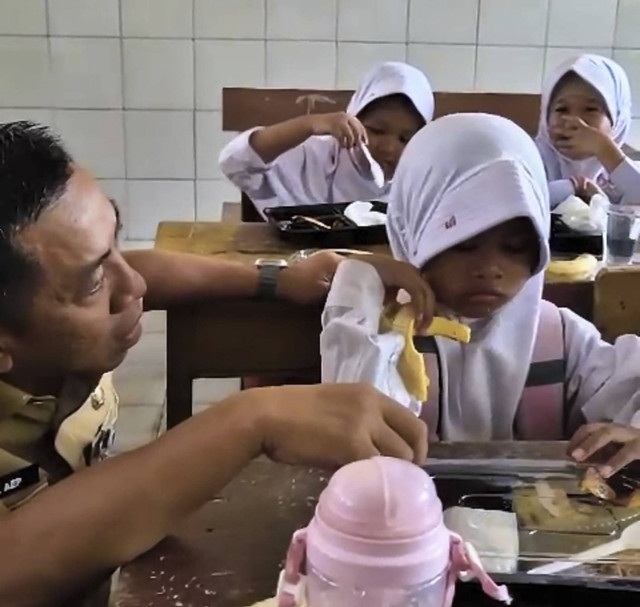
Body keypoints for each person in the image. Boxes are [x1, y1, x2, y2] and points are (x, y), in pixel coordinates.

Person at [0, 121, 429, 607]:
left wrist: (275, 280)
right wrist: (250, 419)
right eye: (95, 281)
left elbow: (142, 272)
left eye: (114, 246)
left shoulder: (55, 321)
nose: (133, 288)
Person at [321, 112, 640, 479]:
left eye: (516, 247)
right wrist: (361, 280)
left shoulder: (558, 337)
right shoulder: (380, 331)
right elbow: (353, 441)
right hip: (407, 530)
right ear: (413, 229)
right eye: (463, 243)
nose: (490, 268)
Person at [219, 62, 434, 217]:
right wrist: (310, 124)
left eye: (405, 139)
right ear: (354, 117)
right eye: (376, 131)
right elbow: (235, 162)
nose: (388, 148)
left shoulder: (419, 183)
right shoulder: (315, 159)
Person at [536, 54, 640, 208]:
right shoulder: (531, 160)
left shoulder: (624, 171)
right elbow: (518, 200)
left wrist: (604, 149)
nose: (574, 121)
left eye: (591, 109)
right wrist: (573, 186)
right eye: (561, 109)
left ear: (617, 119)